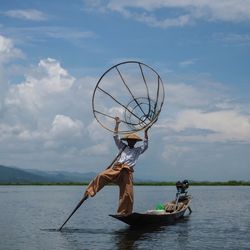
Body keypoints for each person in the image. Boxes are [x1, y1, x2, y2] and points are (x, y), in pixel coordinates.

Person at [84, 116, 150, 215]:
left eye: (133, 140)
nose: (131, 142)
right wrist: (117, 123)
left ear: (135, 142)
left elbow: (145, 144)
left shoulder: (137, 150)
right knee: (101, 176)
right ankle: (89, 192)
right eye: (130, 140)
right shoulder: (122, 146)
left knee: (128, 194)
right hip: (117, 168)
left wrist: (145, 132)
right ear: (127, 141)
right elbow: (115, 136)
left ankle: (124, 212)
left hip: (127, 172)